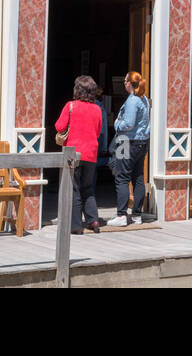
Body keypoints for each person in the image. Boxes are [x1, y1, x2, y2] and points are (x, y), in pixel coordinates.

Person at [54, 75, 105, 234]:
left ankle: (75, 226)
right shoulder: (97, 108)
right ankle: (94, 220)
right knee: (88, 188)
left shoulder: (70, 105)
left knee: (74, 188)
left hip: (73, 153)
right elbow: (97, 132)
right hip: (91, 152)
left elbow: (59, 126)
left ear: (77, 90)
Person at [107, 70, 150, 226]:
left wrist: (117, 122)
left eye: (125, 81)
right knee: (138, 177)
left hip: (126, 141)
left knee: (121, 177)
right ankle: (137, 215)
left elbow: (128, 124)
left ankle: (121, 215)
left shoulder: (133, 100)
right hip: (142, 142)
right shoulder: (144, 99)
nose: (123, 83)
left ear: (130, 84)